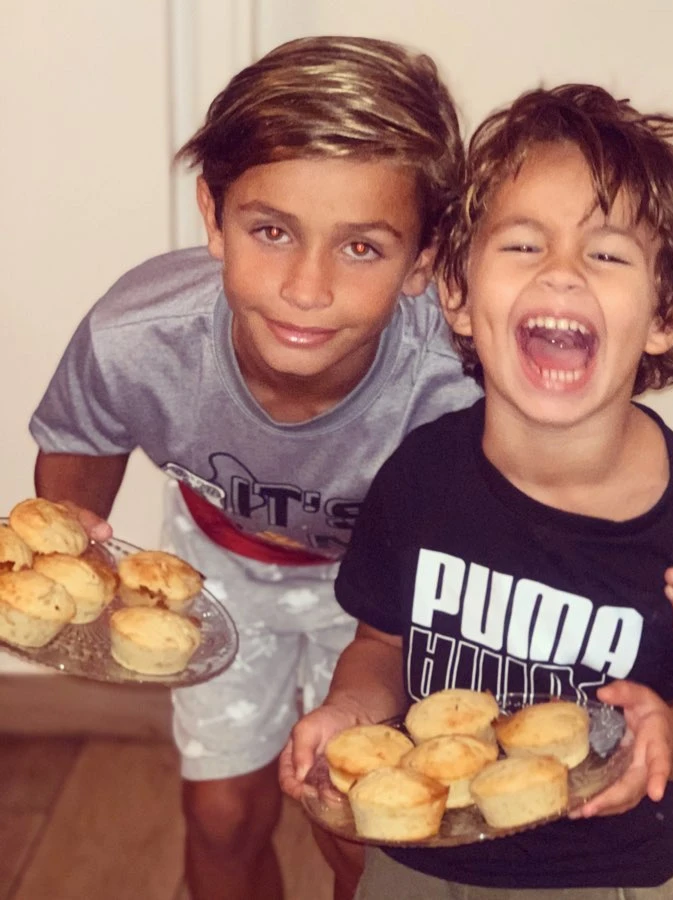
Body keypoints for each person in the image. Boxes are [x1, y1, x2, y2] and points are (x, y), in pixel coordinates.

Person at [281, 83, 673, 899]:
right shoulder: (419, 476)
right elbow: (381, 645)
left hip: (598, 872)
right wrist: (348, 713)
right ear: (457, 293)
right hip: (419, 849)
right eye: (522, 244)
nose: (561, 272)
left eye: (607, 254)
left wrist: (669, 736)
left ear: (668, 313)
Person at [27, 36, 480, 900]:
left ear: (424, 259)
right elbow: (72, 481)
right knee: (223, 816)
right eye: (271, 231)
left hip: (390, 603)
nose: (306, 288)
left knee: (361, 833)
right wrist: (70, 558)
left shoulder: (460, 384)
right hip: (223, 568)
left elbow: (602, 485)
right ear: (213, 213)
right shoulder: (137, 341)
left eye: (361, 248)